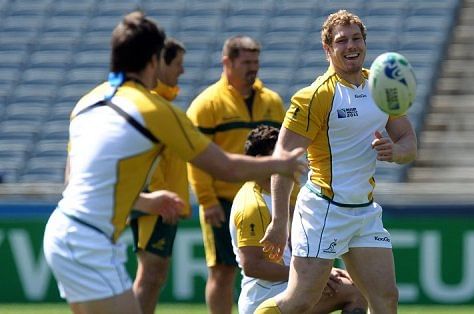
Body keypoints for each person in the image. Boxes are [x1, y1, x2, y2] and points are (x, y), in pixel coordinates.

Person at [42, 12, 305, 314]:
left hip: (63, 230)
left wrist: (146, 202)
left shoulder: (88, 101)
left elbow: (73, 185)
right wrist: (278, 164)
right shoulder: (156, 110)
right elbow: (226, 167)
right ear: (154, 60)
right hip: (89, 242)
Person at [255, 10, 417, 314]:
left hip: (364, 211)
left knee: (386, 298)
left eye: (356, 38)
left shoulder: (381, 86)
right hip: (323, 211)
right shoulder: (314, 96)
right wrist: (279, 221)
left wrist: (396, 152)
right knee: (300, 300)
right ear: (327, 49)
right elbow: (282, 160)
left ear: (365, 43)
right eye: (341, 41)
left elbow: (408, 141)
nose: (351, 46)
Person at [186, 35, 286, 314]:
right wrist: (206, 200)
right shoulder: (207, 104)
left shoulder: (272, 102)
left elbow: (283, 149)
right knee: (222, 270)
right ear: (227, 62)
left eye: (256, 62)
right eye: (246, 62)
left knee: (275, 265)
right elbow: (196, 157)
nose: (253, 68)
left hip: (266, 199)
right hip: (224, 200)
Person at [230, 125, 368, 314]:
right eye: (282, 156)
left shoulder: (280, 192)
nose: (290, 161)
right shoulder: (253, 205)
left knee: (354, 286)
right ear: (262, 161)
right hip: (266, 296)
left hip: (283, 286)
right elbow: (252, 266)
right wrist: (309, 277)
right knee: (355, 293)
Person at [129, 38, 189, 314]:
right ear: (161, 63)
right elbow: (149, 159)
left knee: (155, 275)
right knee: (150, 274)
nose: (182, 71)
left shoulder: (161, 103)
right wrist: (158, 197)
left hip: (163, 202)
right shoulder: (152, 105)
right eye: (177, 64)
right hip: (157, 204)